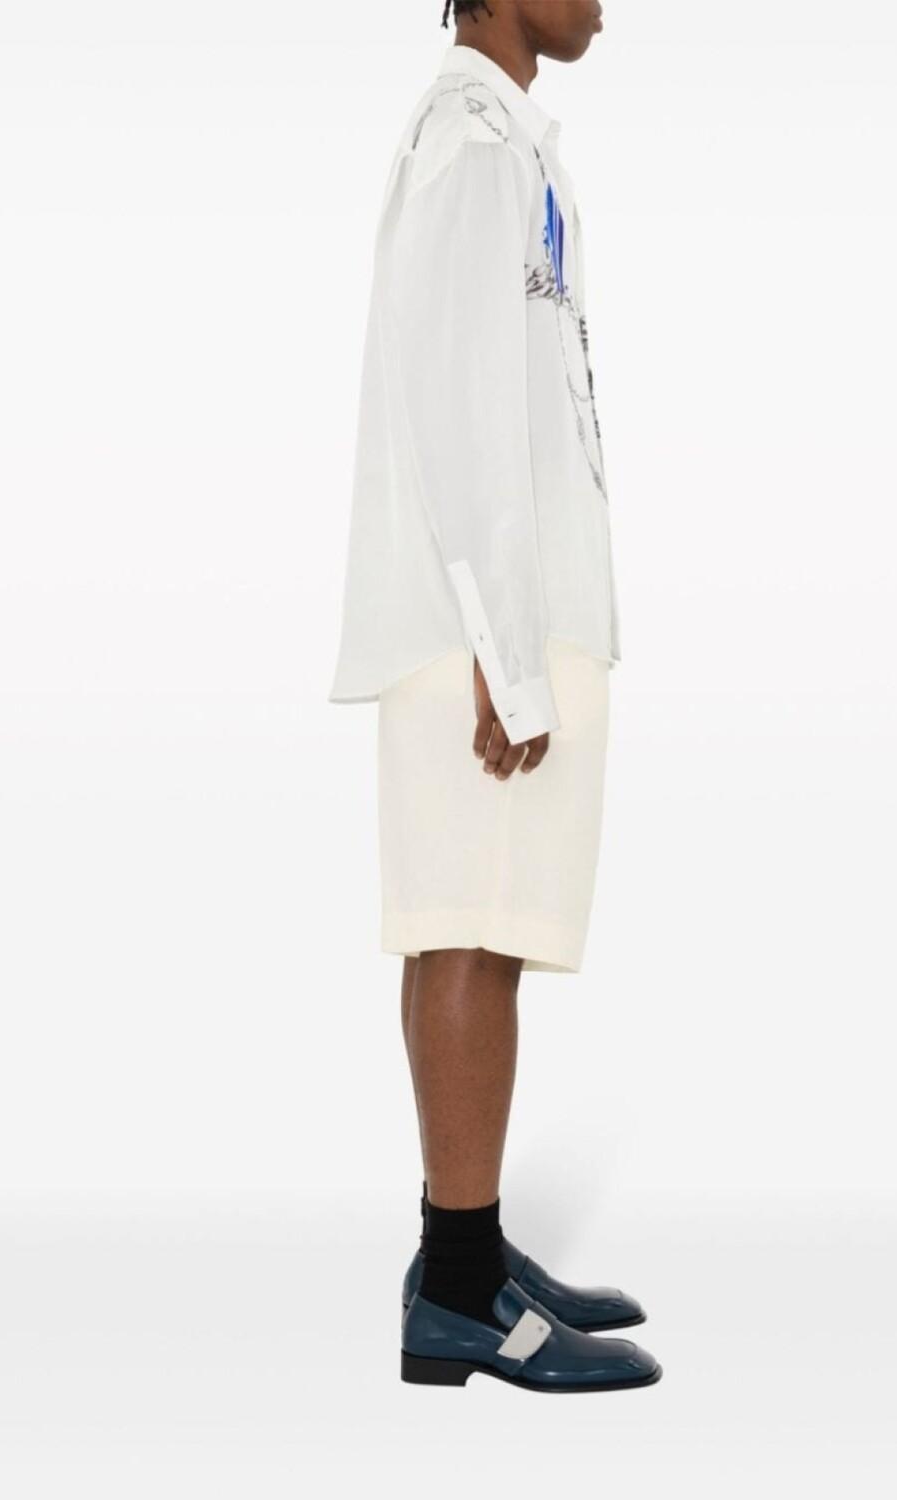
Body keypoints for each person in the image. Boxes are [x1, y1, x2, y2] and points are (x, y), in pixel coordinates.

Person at [329, 0, 660, 1393]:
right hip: (480, 630)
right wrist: (503, 647)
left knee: (482, 928)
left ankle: (464, 1252)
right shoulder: (467, 144)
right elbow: (457, 406)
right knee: (470, 926)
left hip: (504, 617)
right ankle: (459, 1293)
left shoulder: (505, 139)